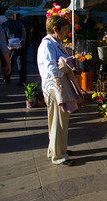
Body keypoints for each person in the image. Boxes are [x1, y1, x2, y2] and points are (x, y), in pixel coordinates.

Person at [37, 16, 77, 166]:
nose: (67, 33)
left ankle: (57, 149)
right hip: (54, 87)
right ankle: (58, 155)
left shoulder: (55, 43)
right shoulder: (47, 45)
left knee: (58, 120)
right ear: (55, 29)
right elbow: (51, 69)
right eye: (65, 30)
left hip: (57, 85)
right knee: (58, 121)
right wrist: (65, 68)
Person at [1, 10, 27, 85]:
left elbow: (3, 37)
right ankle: (22, 80)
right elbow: (24, 34)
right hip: (20, 46)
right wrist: (21, 43)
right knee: (21, 63)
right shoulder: (20, 24)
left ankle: (7, 78)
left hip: (9, 46)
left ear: (6, 16)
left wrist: (6, 45)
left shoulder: (3, 25)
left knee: (9, 62)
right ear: (13, 15)